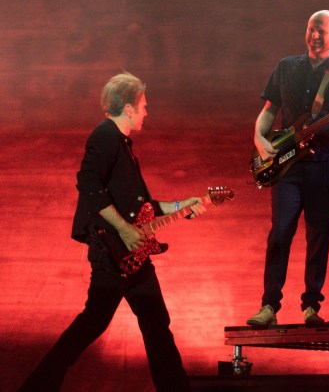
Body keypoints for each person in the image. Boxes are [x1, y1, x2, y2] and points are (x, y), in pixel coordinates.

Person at [19, 72, 206, 392]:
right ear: (129, 108)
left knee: (156, 324)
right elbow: (88, 184)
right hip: (113, 252)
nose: (148, 112)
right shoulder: (105, 136)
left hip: (134, 255)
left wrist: (181, 205)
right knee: (93, 323)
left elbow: (144, 209)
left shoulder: (122, 144)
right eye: (144, 106)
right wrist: (123, 229)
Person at [247, 10, 329, 326]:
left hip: (326, 166)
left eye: (322, 31)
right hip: (288, 166)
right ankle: (269, 306)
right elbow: (269, 110)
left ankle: (311, 306)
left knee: (318, 237)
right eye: (311, 29)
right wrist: (259, 137)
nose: (315, 35)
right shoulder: (286, 68)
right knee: (280, 234)